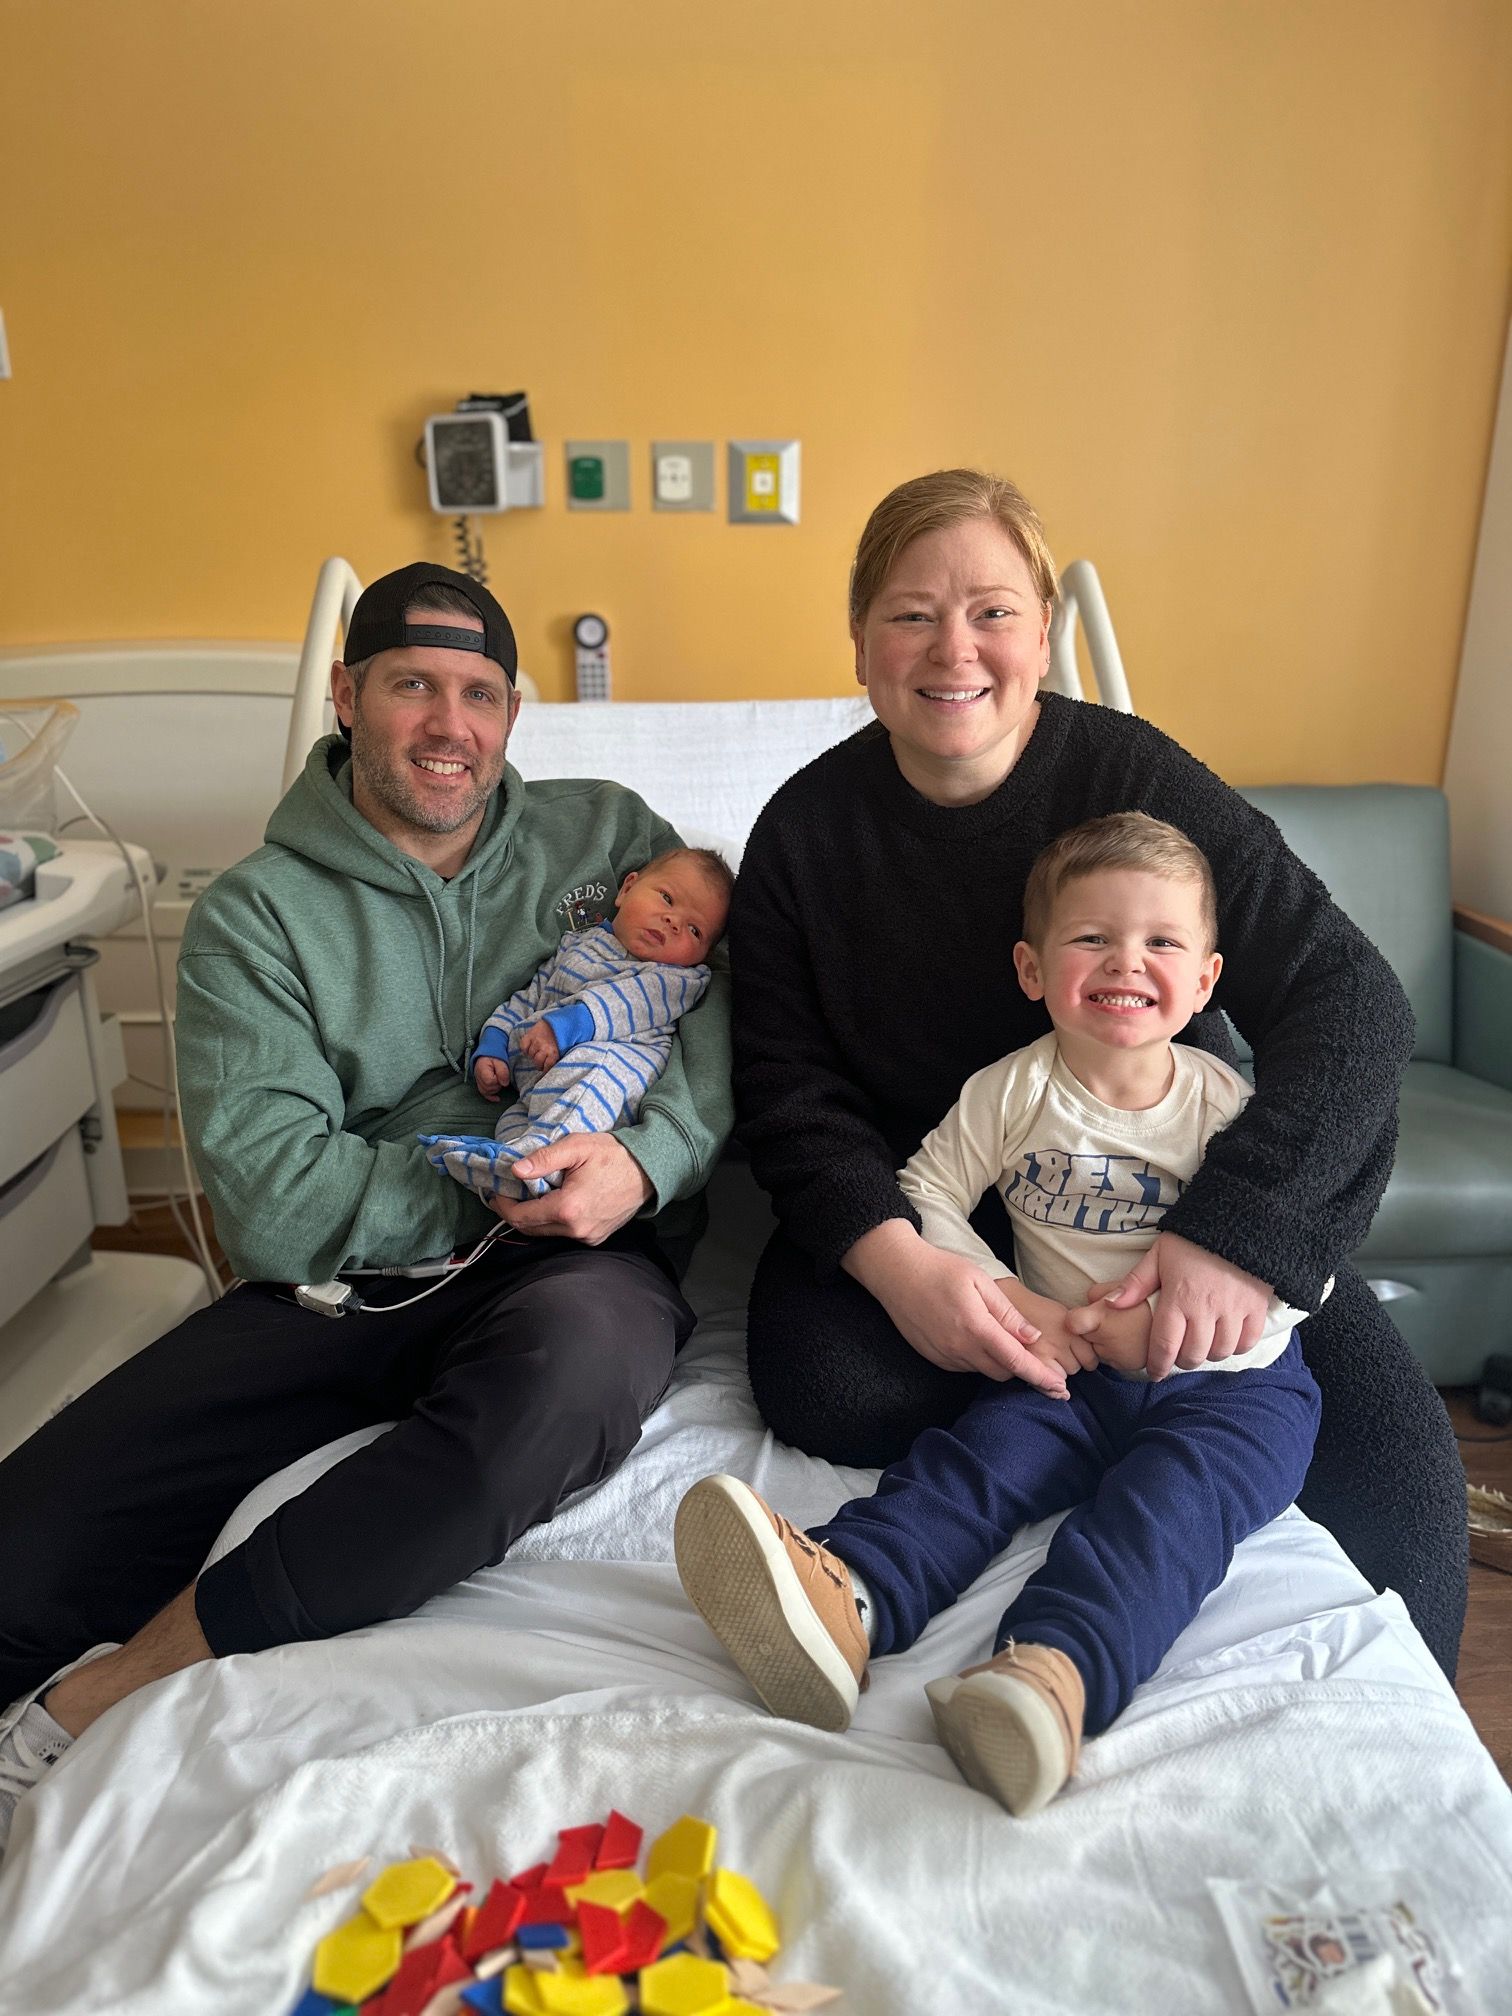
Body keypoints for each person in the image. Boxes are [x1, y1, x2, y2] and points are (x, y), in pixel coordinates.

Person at [0, 562, 731, 1861]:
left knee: (560, 1394)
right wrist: (465, 1176)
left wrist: (646, 1161)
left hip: (576, 1263)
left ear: (513, 715)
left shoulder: (609, 837)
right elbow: (278, 1203)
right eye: (411, 686)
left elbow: (721, 1006)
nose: (450, 726)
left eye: (480, 694)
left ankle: (120, 1686)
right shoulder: (256, 921)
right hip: (340, 1282)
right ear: (345, 695)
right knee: (22, 1552)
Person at [729, 468, 1466, 1680]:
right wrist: (905, 1264)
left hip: (1172, 1177)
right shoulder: (806, 833)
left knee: (1396, 1470)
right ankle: (1061, 1446)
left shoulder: (1137, 780)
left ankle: (1156, 1468)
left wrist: (1236, 1234)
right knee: (821, 1387)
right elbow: (786, 1090)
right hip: (951, 1192)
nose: (953, 648)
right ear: (859, 642)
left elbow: (1353, 1000)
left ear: (1047, 633)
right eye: (911, 613)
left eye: (994, 611)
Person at [676, 813, 1323, 1815]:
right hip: (1064, 1362)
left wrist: (1160, 1334)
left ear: (1205, 981)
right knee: (972, 1466)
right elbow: (923, 1192)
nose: (1126, 963)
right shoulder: (1013, 1090)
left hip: (1235, 1390)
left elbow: (1298, 1261)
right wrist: (1009, 1297)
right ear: (1032, 968)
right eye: (1092, 938)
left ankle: (1049, 1678)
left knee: (1162, 1517)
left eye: (1161, 943)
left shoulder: (1227, 1107)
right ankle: (846, 1596)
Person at [422, 845, 733, 1200]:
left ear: (703, 954)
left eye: (695, 930)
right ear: (628, 888)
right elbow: (530, 997)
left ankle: (534, 1164)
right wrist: (494, 1043)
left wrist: (565, 1025)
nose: (673, 921)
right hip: (538, 1085)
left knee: (595, 1070)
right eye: (666, 897)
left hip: (610, 1083)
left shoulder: (678, 980)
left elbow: (625, 1002)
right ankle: (505, 1164)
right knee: (514, 1118)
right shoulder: (577, 944)